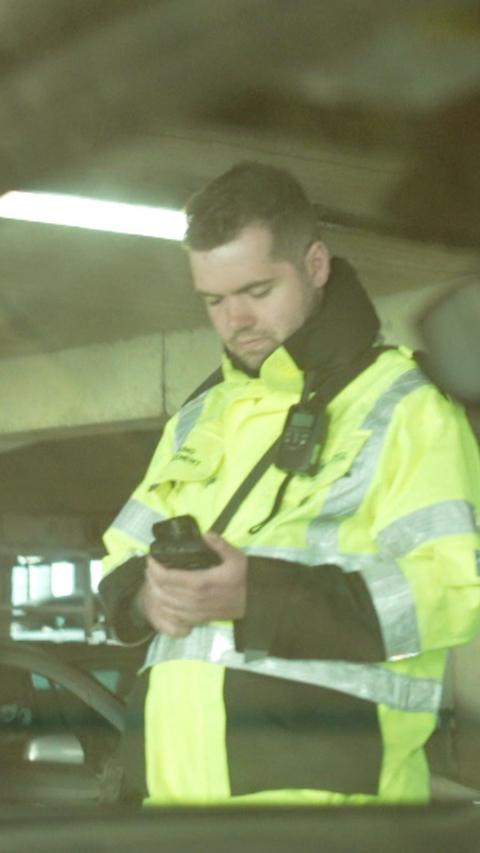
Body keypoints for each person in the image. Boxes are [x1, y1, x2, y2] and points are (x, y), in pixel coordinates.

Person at [100, 161, 480, 806]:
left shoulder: (405, 408)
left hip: (325, 819)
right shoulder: (199, 417)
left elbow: (458, 590)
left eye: (256, 290)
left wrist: (261, 596)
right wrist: (145, 598)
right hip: (168, 813)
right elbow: (119, 555)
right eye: (214, 301)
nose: (235, 321)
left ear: (315, 264)